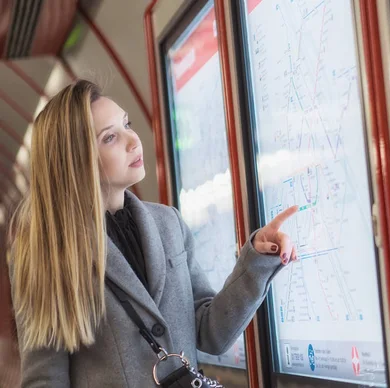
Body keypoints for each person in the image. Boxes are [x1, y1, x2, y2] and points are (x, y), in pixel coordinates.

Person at [7, 80, 298, 387]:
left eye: (127, 124)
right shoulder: (48, 254)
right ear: (76, 161)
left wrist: (256, 260)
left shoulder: (168, 224)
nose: (133, 140)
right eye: (110, 138)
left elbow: (210, 333)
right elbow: (45, 378)